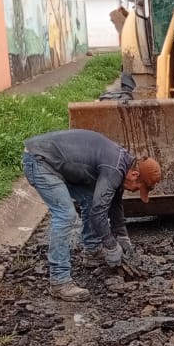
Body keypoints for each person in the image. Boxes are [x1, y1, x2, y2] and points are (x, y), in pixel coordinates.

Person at [21, 128, 162, 302]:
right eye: (137, 188)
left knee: (90, 198)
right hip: (41, 160)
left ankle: (92, 251)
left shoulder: (123, 164)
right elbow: (99, 212)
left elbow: (114, 201)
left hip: (54, 160)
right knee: (65, 215)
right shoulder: (114, 168)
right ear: (134, 175)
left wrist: (122, 237)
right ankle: (59, 281)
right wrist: (111, 245)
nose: (134, 191)